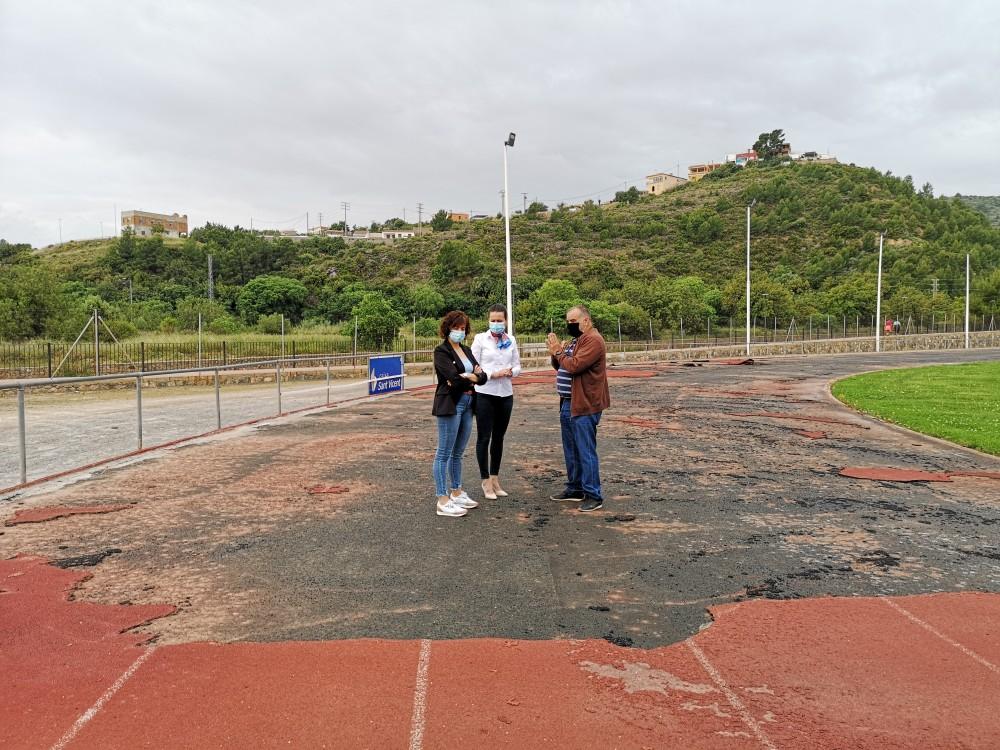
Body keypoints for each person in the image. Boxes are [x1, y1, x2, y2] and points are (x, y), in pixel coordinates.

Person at [545, 305, 610, 512]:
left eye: (573, 321)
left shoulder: (593, 340)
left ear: (586, 321)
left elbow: (574, 366)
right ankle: (575, 488)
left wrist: (558, 351)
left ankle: (593, 494)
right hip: (568, 402)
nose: (570, 325)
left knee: (585, 450)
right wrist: (556, 354)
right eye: (568, 322)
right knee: (571, 449)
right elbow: (562, 365)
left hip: (584, 403)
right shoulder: (577, 340)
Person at [432, 310, 488, 517]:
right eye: (456, 327)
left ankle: (456, 492)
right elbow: (453, 379)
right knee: (444, 453)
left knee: (458, 452)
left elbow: (483, 377)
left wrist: (471, 377)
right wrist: (472, 377)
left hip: (468, 402)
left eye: (463, 328)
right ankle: (442, 499)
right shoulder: (441, 351)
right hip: (451, 403)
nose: (459, 331)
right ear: (448, 328)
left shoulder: (466, 349)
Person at [471, 304, 522, 500]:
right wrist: (493, 373)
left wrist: (511, 372)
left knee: (499, 437)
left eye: (499, 320)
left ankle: (495, 478)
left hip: (505, 394)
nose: (496, 323)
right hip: (485, 393)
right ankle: (485, 480)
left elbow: (517, 365)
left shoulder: (511, 340)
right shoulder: (480, 339)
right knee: (484, 437)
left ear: (506, 321)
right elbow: (474, 366)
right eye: (493, 320)